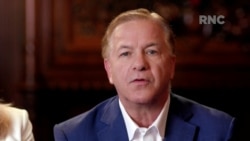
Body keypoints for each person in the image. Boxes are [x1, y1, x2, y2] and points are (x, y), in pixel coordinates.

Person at [53, 8, 236, 141]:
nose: (140, 64)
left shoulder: (219, 130)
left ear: (172, 65)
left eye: (151, 52)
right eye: (125, 53)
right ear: (109, 70)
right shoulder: (73, 135)